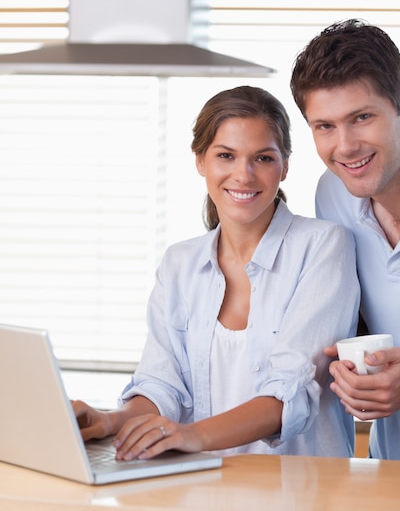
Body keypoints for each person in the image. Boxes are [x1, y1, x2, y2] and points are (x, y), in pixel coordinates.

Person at [73, 85, 360, 459]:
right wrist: (111, 421)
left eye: (263, 158)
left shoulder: (323, 245)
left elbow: (290, 392)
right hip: (201, 489)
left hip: (300, 491)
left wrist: (190, 435)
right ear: (200, 162)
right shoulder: (180, 264)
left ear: (284, 166)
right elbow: (163, 387)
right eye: (226, 155)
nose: (244, 175)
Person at [290, 18, 400, 462]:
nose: (344, 147)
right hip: (397, 473)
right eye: (324, 126)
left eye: (361, 117)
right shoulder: (335, 195)